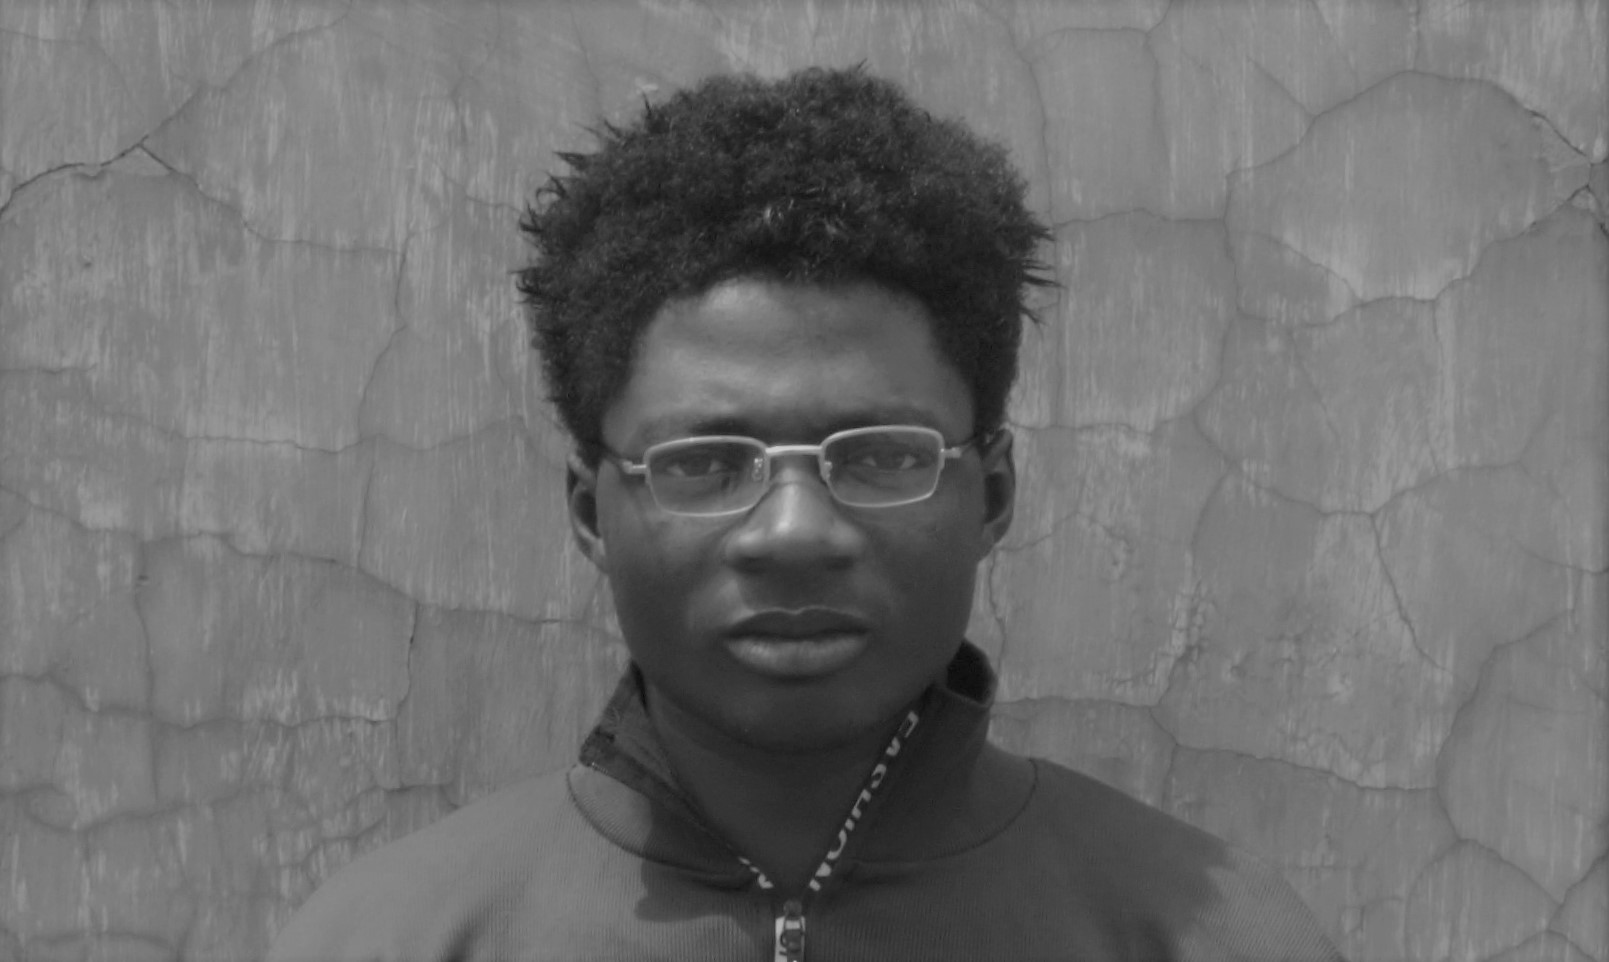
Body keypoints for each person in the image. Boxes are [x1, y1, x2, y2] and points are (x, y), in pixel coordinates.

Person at [268, 66, 1344, 962]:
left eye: (878, 456)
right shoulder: (387, 938)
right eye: (704, 463)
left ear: (994, 495)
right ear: (590, 513)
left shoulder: (1208, 935)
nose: (792, 533)